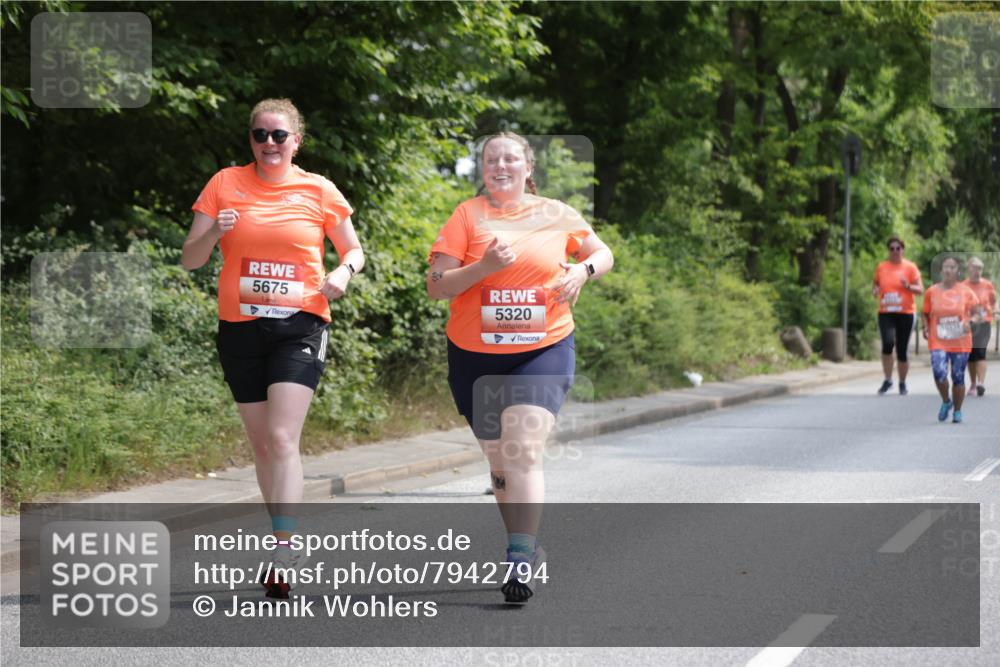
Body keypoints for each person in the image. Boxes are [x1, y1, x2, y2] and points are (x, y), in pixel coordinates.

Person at [182, 98, 364, 598]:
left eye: (278, 136)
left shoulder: (318, 189)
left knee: (283, 437)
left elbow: (353, 248)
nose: (268, 144)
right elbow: (191, 259)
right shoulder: (224, 184)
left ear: (295, 142)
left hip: (300, 323)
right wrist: (215, 231)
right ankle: (285, 536)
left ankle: (284, 548)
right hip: (239, 326)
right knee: (261, 444)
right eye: (259, 135)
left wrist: (343, 272)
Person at [427, 132, 613, 603]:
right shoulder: (467, 215)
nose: (501, 166)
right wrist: (485, 266)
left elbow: (602, 252)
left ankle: (518, 557)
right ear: (483, 170)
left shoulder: (557, 213)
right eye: (492, 159)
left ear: (528, 167)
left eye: (511, 158)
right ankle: (526, 545)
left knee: (522, 447)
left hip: (542, 348)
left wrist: (581, 271)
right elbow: (437, 286)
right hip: (474, 354)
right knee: (500, 462)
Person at [922, 256, 981, 424]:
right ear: (941, 271)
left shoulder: (966, 292)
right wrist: (925, 327)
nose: (948, 270)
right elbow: (925, 313)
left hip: (960, 340)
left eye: (952, 267)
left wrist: (971, 322)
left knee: (958, 376)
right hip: (938, 339)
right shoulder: (932, 291)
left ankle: (957, 410)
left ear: (958, 271)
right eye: (945, 267)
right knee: (939, 372)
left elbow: (978, 313)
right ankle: (946, 401)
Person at [872, 236, 923, 395]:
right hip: (886, 312)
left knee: (901, 350)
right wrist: (875, 289)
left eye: (898, 248)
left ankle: (902, 382)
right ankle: (888, 380)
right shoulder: (882, 267)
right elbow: (876, 284)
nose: (895, 251)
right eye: (892, 249)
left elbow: (920, 289)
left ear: (903, 250)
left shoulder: (910, 267)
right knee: (887, 344)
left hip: (905, 312)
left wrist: (908, 286)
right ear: (888, 251)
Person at [963, 256, 996, 396]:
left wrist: (996, 311)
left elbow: (994, 301)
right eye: (975, 268)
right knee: (971, 355)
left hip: (984, 323)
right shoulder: (963, 286)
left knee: (981, 352)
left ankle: (981, 383)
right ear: (968, 268)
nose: (977, 271)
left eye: (980, 269)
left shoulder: (987, 285)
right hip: (969, 324)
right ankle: (973, 384)